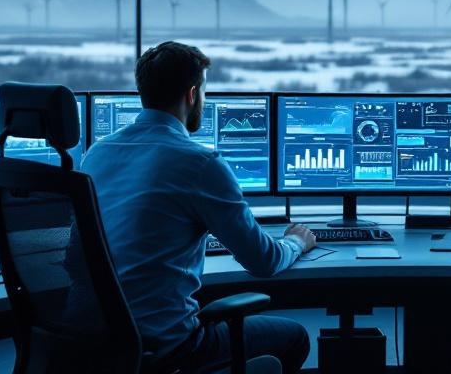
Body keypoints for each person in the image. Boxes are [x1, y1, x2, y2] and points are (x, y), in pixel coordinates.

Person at [81, 41, 314, 373]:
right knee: (295, 337)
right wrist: (296, 241)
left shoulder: (96, 154)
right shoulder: (199, 162)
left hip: (95, 344)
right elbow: (263, 261)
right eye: (203, 91)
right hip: (166, 348)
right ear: (192, 94)